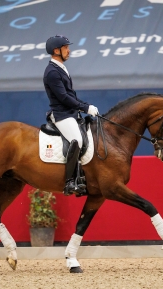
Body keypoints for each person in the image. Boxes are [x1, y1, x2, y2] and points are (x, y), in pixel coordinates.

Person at [43, 35, 99, 196]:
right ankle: (69, 181)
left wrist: (85, 106)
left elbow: (71, 95)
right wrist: (85, 107)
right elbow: (64, 98)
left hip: (70, 112)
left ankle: (81, 176)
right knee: (78, 140)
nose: (69, 50)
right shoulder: (52, 72)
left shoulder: (60, 68)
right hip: (61, 114)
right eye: (66, 48)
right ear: (56, 50)